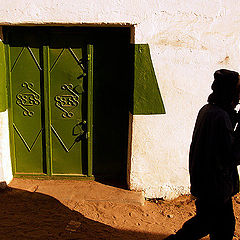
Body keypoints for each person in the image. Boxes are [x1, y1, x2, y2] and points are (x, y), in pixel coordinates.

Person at [164, 69, 240, 240]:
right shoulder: (220, 117)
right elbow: (233, 156)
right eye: (236, 93)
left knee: (218, 227)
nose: (238, 98)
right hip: (216, 188)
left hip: (207, 185)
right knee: (208, 226)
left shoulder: (207, 110)